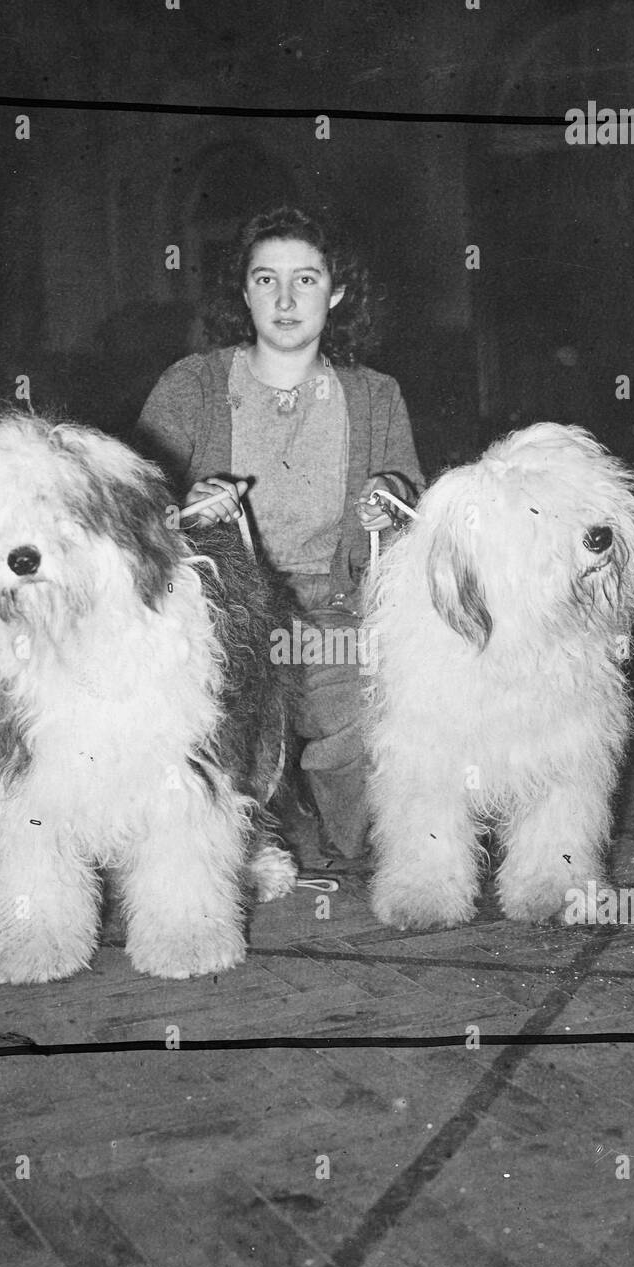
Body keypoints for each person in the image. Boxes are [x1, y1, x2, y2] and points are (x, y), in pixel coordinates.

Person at [135, 205, 422, 860]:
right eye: (267, 280)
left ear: (338, 292)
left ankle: (359, 830)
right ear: (243, 291)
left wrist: (392, 501)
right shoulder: (191, 387)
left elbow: (411, 519)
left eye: (307, 280)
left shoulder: (377, 396)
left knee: (365, 706)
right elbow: (136, 511)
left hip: (333, 610)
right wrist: (187, 507)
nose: (287, 300)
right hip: (221, 613)